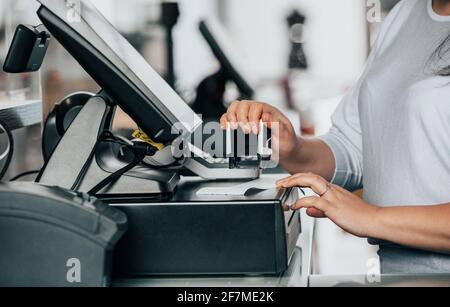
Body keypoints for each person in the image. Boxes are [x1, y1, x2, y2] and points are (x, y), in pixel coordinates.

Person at [220, 0, 450, 274]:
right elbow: (356, 148)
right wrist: (293, 148)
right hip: (398, 273)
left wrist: (370, 217)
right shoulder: (404, 14)